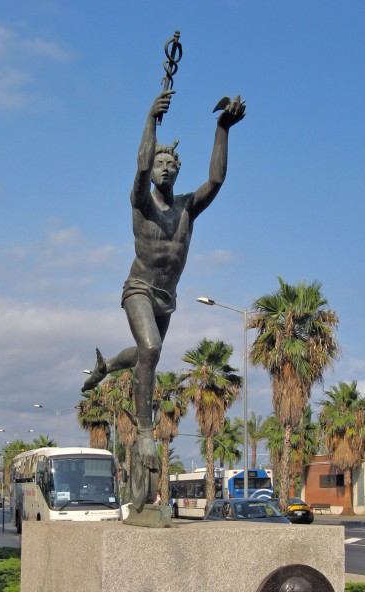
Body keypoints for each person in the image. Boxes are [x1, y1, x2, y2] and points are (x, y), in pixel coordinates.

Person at [82, 88, 246, 476]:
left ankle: (106, 368)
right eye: (161, 161)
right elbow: (139, 167)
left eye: (172, 162)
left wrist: (222, 128)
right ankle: (143, 431)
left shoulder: (187, 206)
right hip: (138, 289)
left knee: (143, 356)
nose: (166, 167)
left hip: (166, 299)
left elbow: (217, 180)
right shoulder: (141, 201)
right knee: (151, 349)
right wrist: (150, 120)